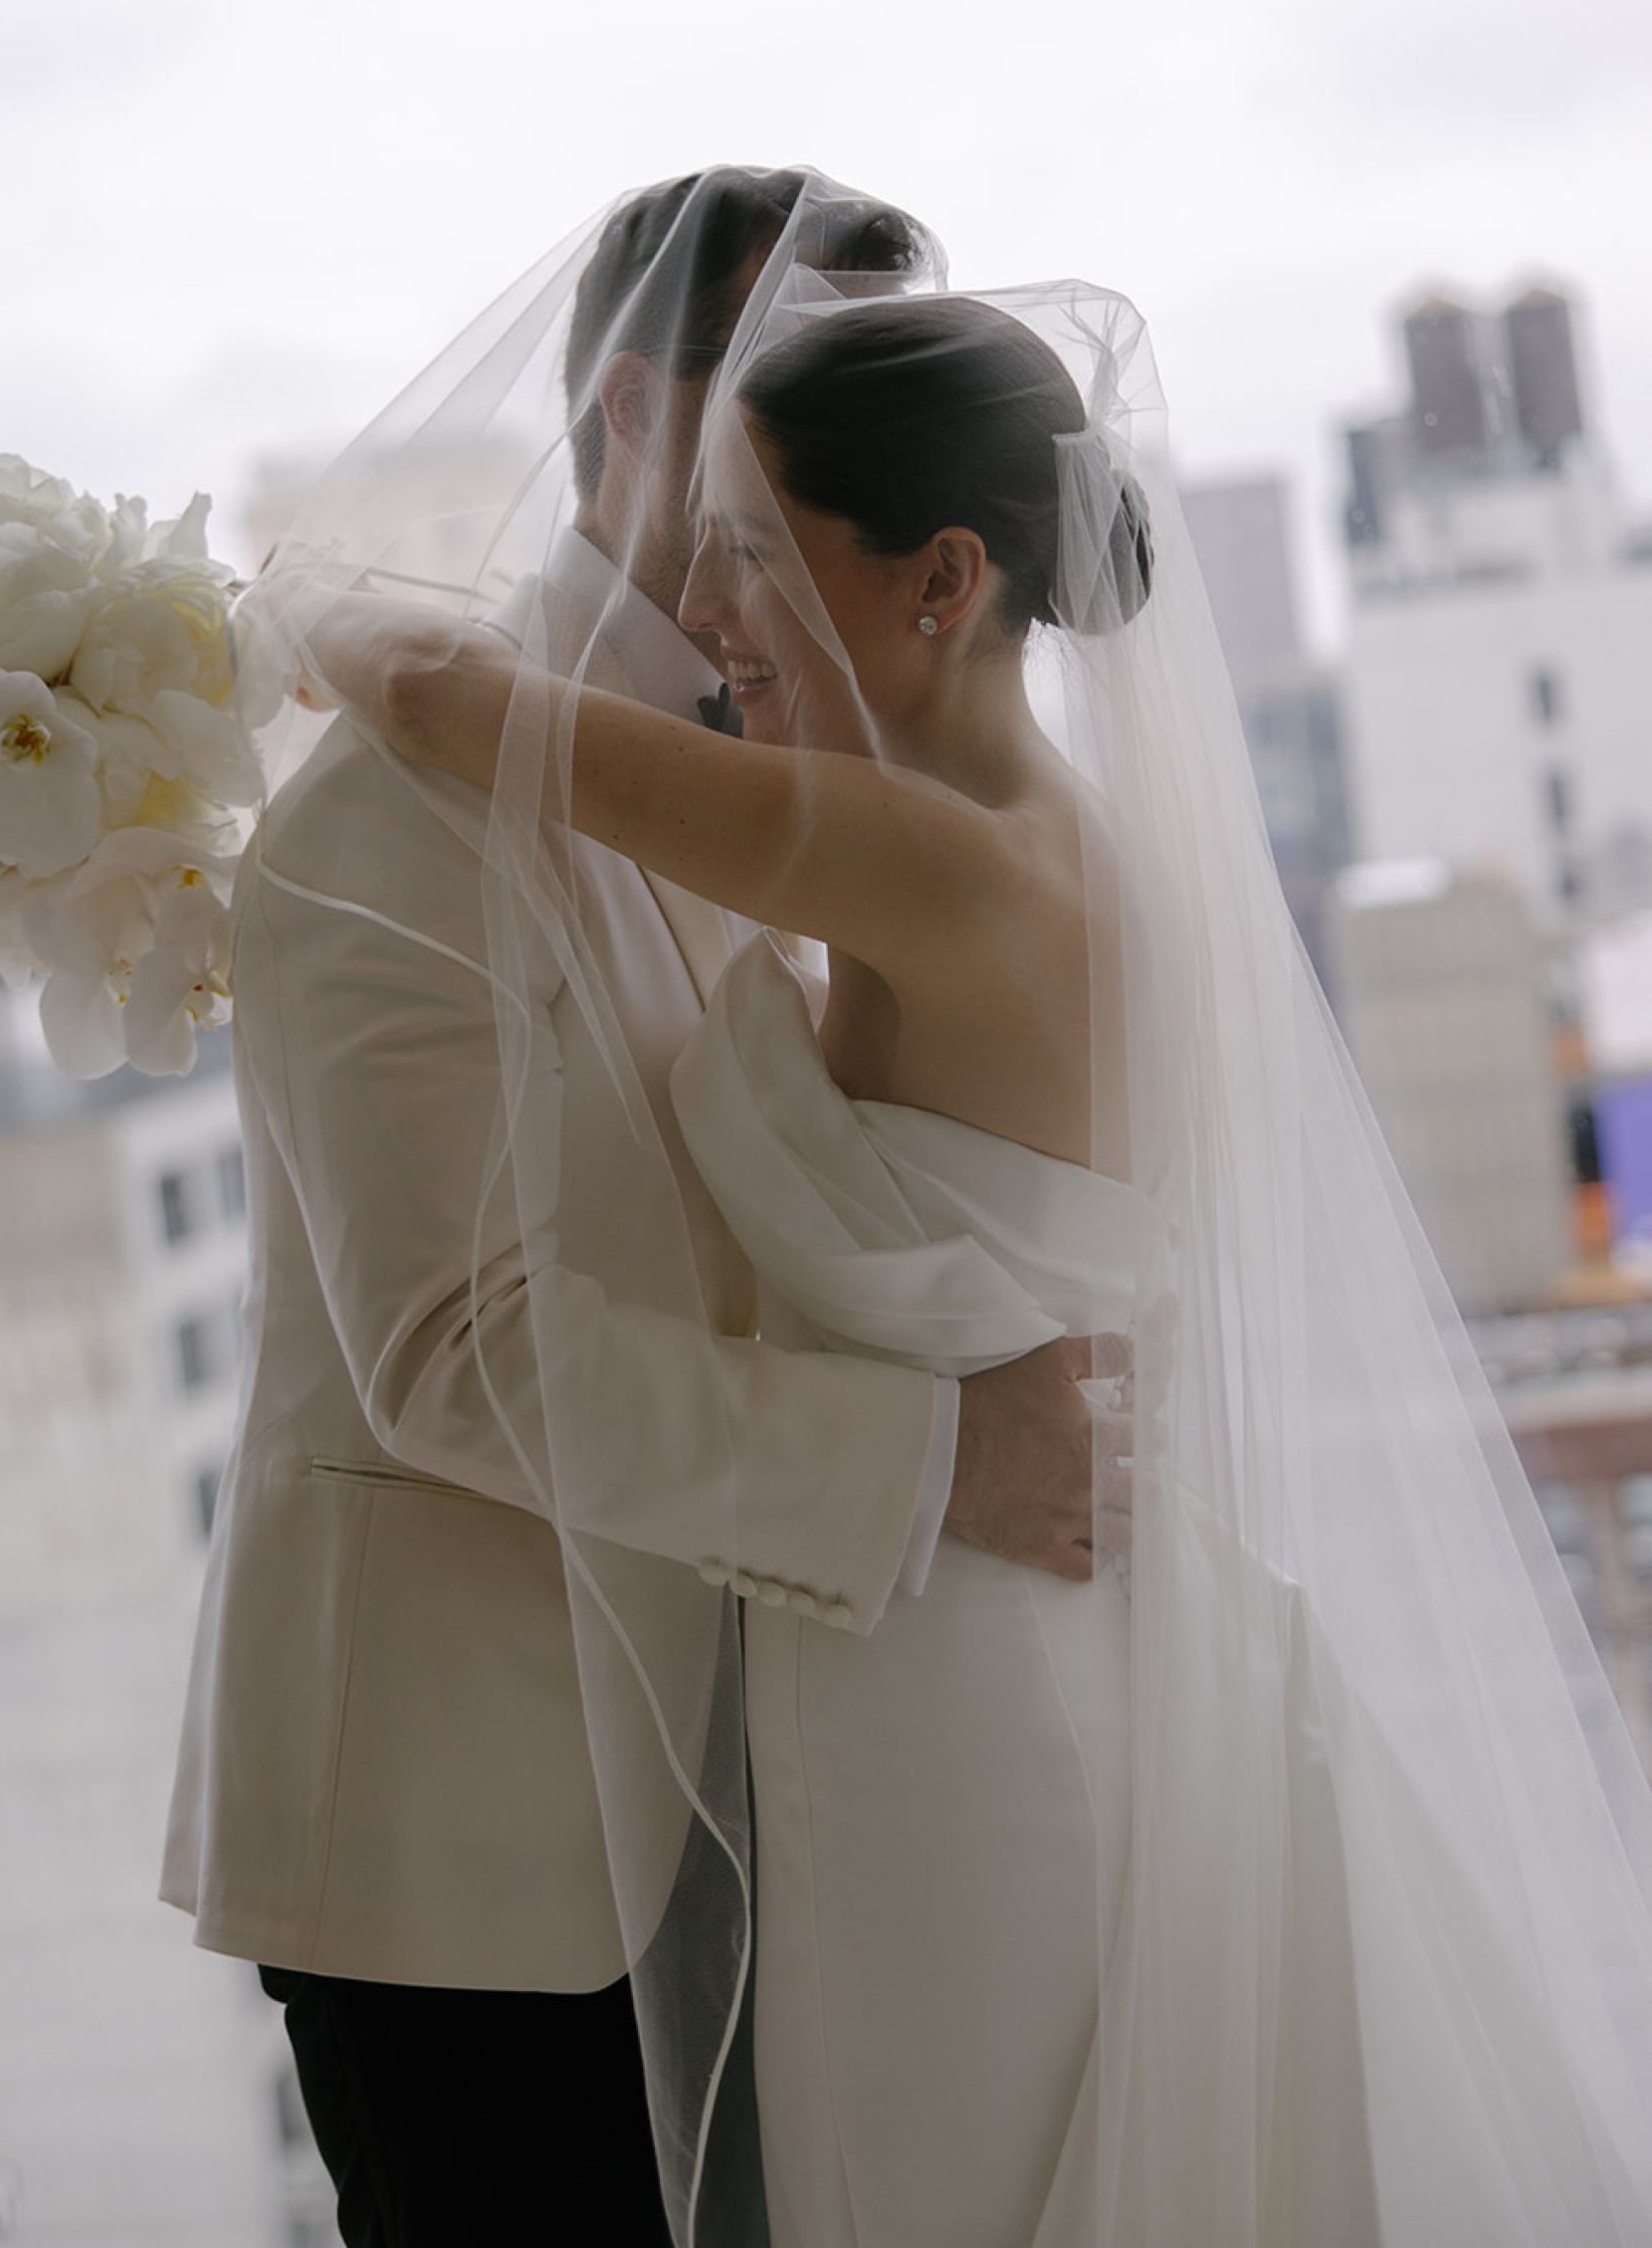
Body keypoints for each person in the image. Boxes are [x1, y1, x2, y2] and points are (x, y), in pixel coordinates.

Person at [303, 271, 1652, 2246]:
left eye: (757, 555)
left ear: (942, 583)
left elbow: (437, 702)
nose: (714, 612)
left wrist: (252, 609)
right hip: (981, 1630)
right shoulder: (1026, 836)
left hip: (963, 1675)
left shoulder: (926, 857)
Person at [161, 172, 1128, 2248]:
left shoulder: (813, 778)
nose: (813, 453)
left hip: (798, 1793)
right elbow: (452, 1358)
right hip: (480, 1868)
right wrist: (947, 1458)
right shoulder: (388, 818)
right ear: (625, 414)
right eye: (790, 391)